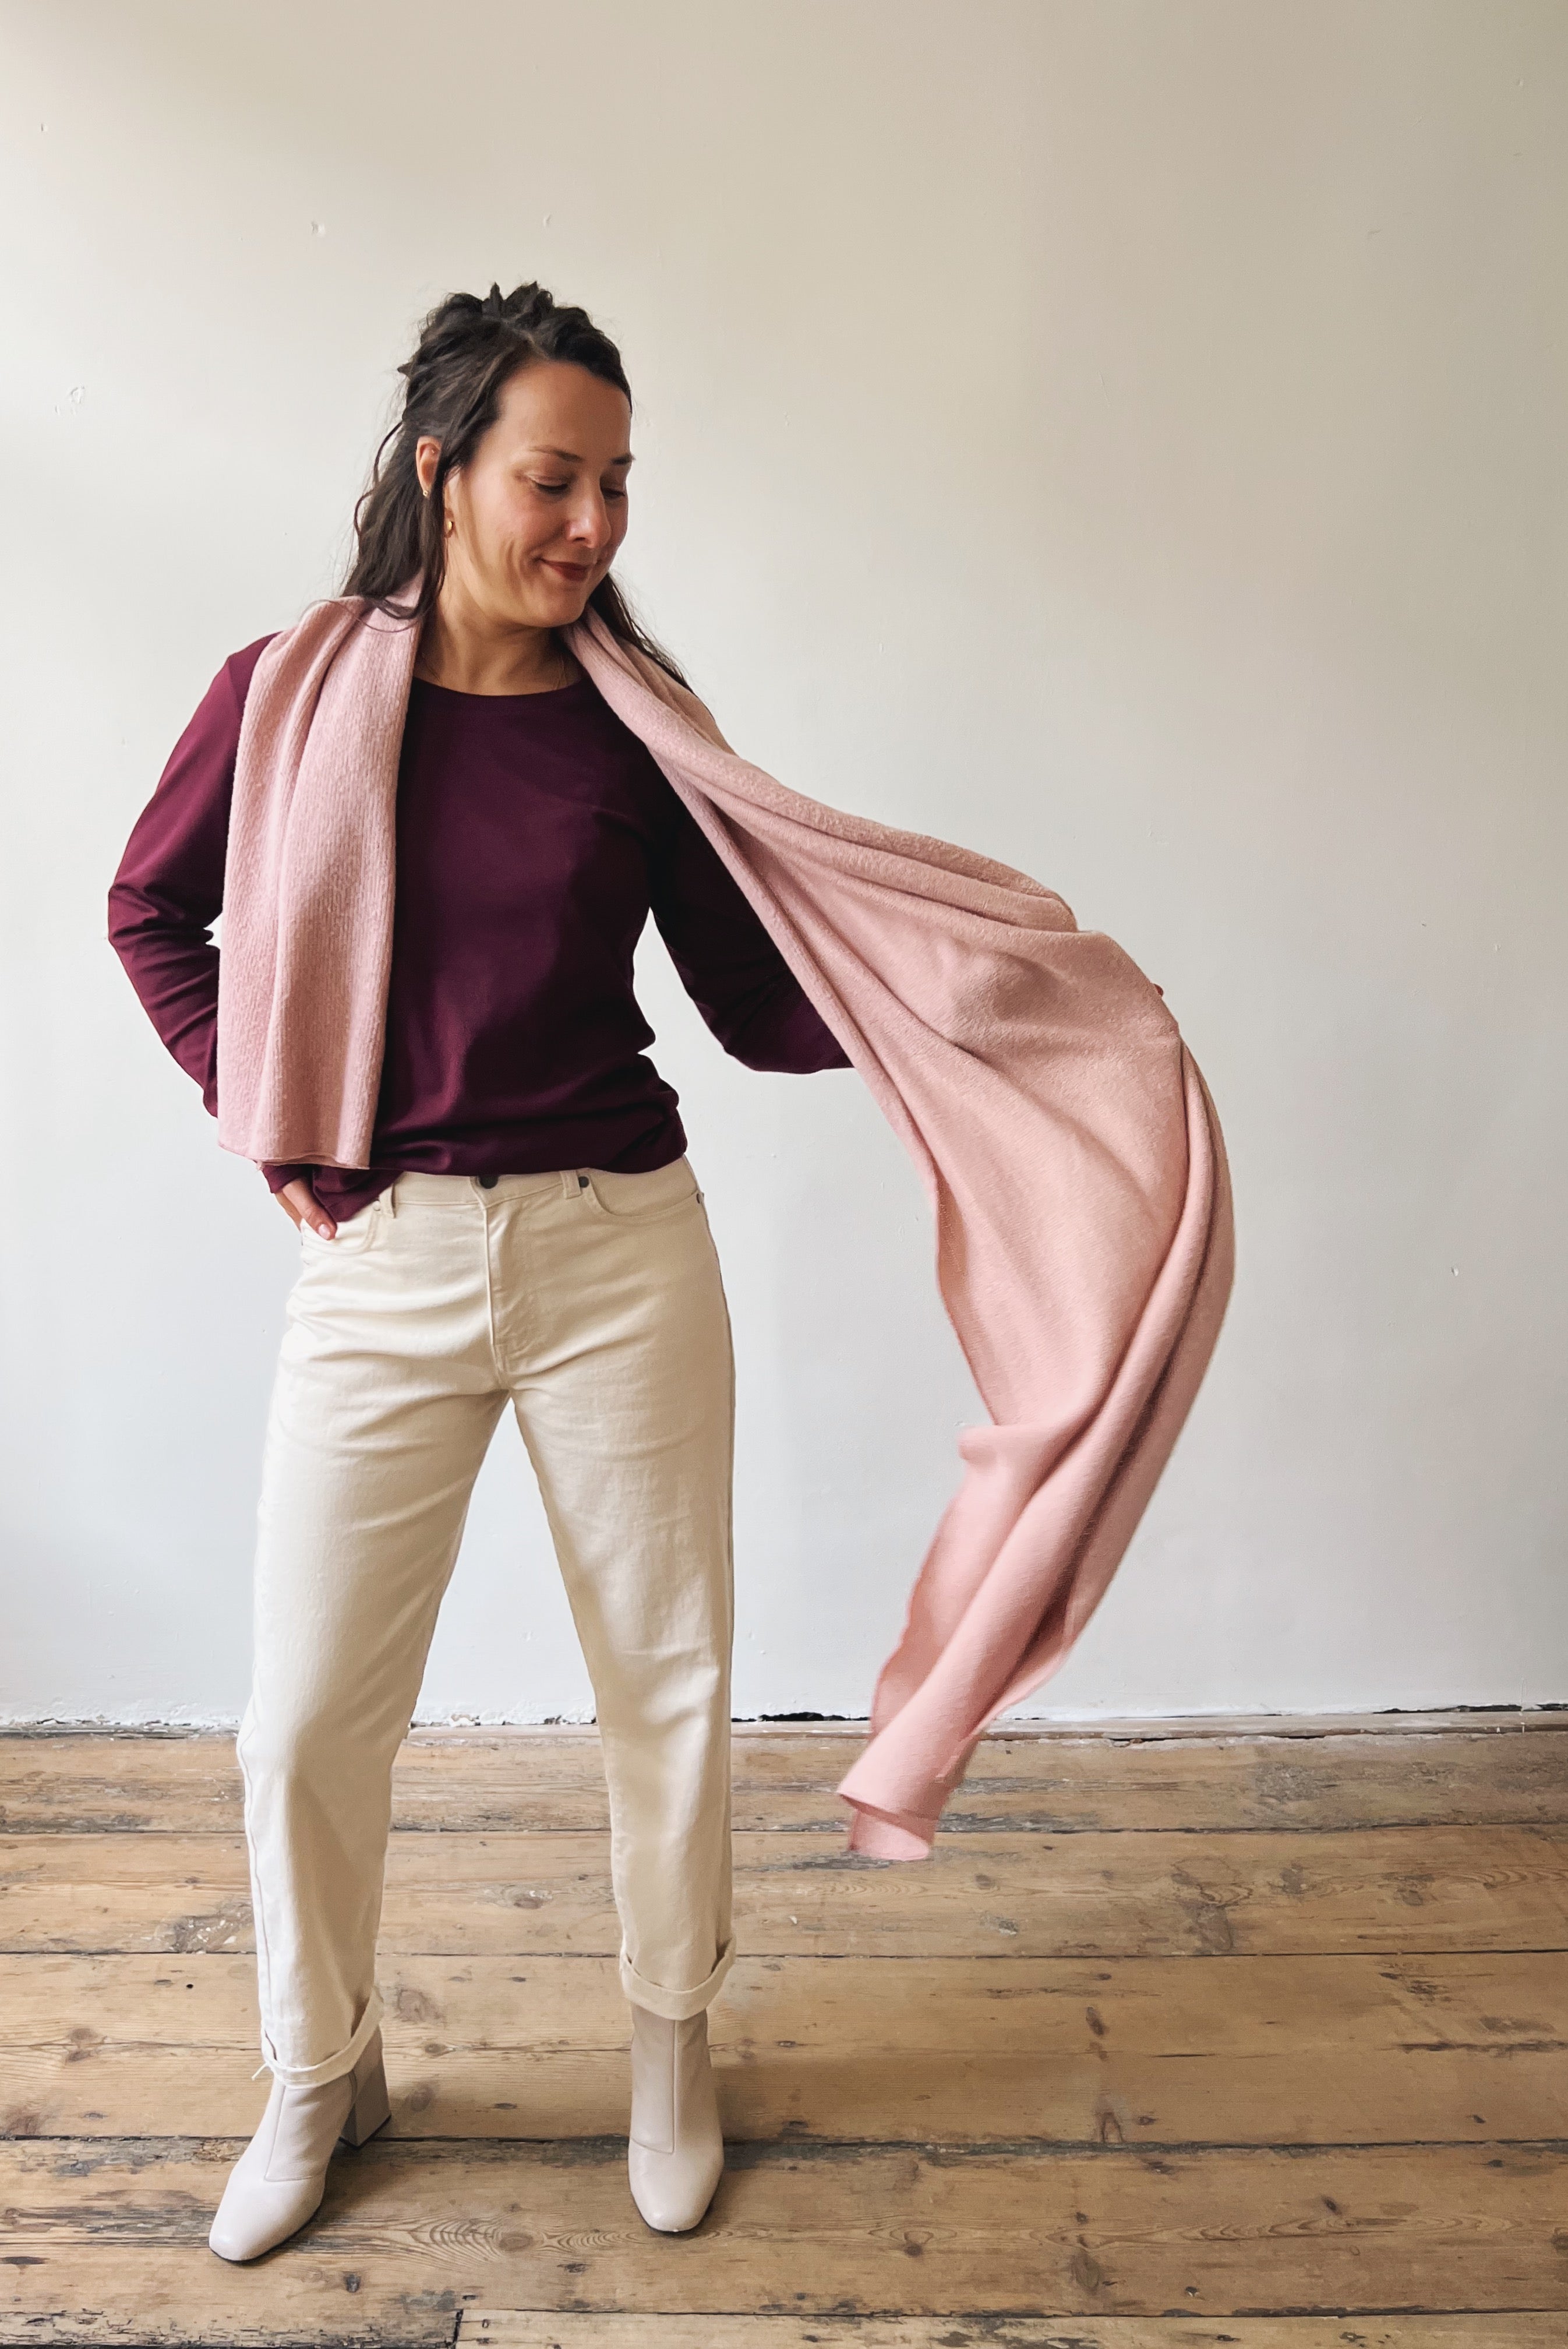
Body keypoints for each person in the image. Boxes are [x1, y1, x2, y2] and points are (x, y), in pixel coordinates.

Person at [106, 280, 852, 2264]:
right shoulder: (282, 692)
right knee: (302, 1726)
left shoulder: (635, 727)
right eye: (555, 477)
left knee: (667, 1692)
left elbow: (753, 999)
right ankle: (315, 2072)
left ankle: (670, 2051)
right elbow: (150, 906)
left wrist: (955, 1011)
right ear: (441, 470)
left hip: (619, 1247)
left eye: (617, 484)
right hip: (386, 1256)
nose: (593, 525)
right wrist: (256, 1113)